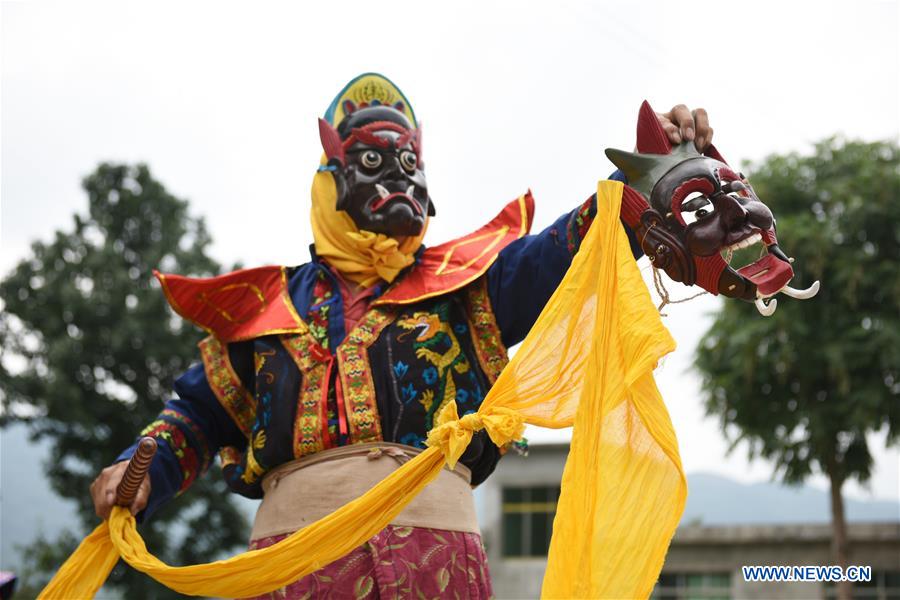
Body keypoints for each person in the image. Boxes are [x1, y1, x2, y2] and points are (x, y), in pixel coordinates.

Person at [89, 73, 716, 598]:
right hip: (292, 570)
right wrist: (140, 469)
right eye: (371, 159)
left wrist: (647, 177)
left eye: (409, 161)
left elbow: (568, 252)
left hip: (436, 563)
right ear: (329, 181)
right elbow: (194, 418)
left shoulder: (469, 286)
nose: (399, 176)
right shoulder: (269, 309)